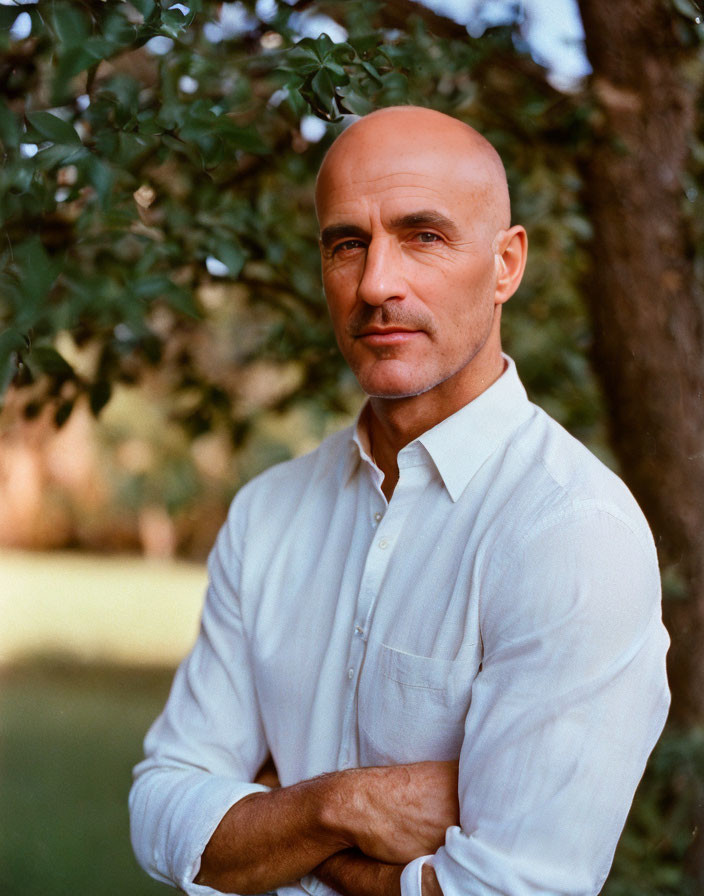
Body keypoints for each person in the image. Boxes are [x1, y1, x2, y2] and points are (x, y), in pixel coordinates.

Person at [129, 106, 670, 896]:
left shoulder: (573, 531)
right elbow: (161, 808)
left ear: (505, 265)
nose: (377, 284)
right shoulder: (269, 511)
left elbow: (512, 888)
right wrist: (345, 807)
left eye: (424, 235)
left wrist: (272, 828)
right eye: (347, 243)